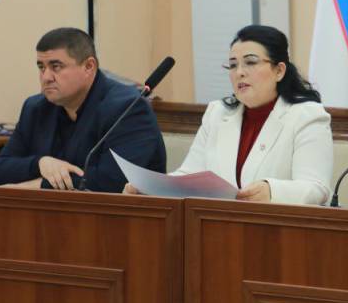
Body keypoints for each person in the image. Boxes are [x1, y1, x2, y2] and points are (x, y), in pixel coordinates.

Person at [126, 25, 332, 204]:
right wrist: (151, 189)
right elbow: (189, 176)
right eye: (233, 65)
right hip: (216, 227)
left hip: (276, 231)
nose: (239, 72)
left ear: (279, 71)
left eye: (250, 62)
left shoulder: (306, 116)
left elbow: (317, 189)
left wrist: (272, 190)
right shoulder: (217, 113)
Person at [0, 27, 166, 192]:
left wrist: (37, 186)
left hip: (119, 214)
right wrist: (40, 164)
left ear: (89, 67)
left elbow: (111, 182)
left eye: (56, 67)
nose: (46, 77)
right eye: (41, 67)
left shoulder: (128, 109)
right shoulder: (36, 108)